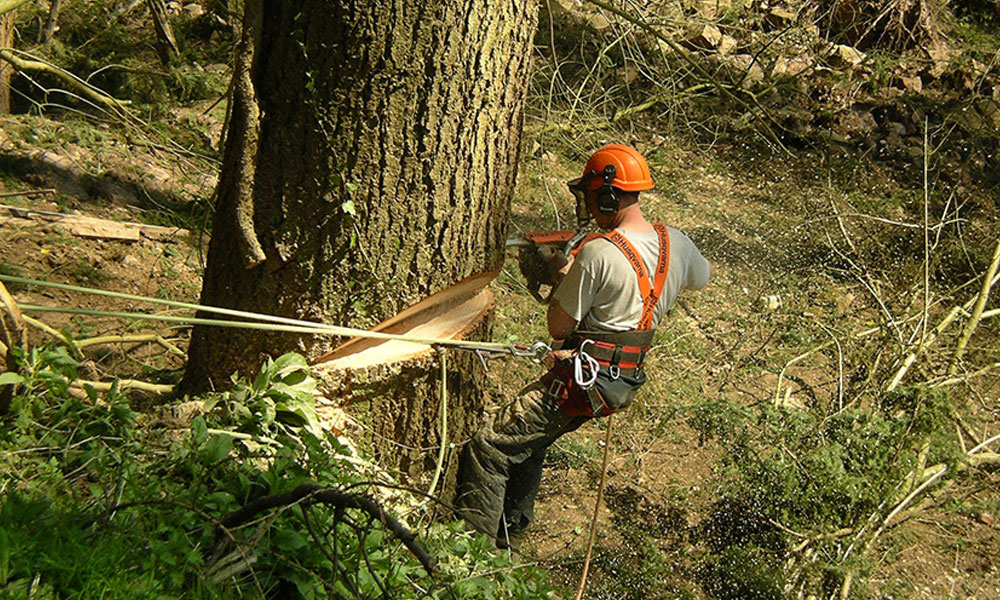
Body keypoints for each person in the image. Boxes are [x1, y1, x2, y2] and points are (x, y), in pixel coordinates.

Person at [455, 144, 711, 547]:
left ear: (606, 195)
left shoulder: (597, 253)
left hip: (582, 380)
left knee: (489, 447)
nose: (589, 206)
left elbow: (559, 327)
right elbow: (701, 277)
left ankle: (467, 554)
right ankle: (510, 535)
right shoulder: (676, 243)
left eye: (592, 197)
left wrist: (564, 275)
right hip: (621, 378)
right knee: (528, 439)